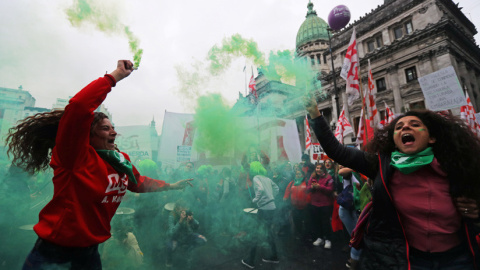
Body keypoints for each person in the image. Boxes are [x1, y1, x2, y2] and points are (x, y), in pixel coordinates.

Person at [6, 60, 193, 270]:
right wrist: (115, 76)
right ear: (89, 134)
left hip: (90, 252)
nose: (113, 132)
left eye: (113, 127)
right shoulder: (75, 156)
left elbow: (138, 182)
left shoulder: (121, 160)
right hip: (56, 254)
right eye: (105, 128)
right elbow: (77, 107)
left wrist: (171, 185)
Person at [305, 95, 480, 269]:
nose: (406, 127)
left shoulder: (459, 165)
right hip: (409, 260)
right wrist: (314, 113)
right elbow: (337, 151)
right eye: (399, 127)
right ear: (395, 140)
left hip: (457, 259)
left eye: (415, 125)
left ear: (432, 138)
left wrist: (474, 210)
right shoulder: (382, 165)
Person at [241, 161, 279, 269]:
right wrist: (271, 197)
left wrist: (255, 200)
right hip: (271, 207)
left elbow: (261, 190)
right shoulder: (266, 178)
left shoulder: (256, 178)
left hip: (264, 209)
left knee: (256, 233)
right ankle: (274, 256)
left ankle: (250, 261)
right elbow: (276, 188)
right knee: (268, 232)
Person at [165, 201, 207, 268]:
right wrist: (180, 221)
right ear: (177, 209)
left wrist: (192, 220)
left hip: (187, 236)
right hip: (176, 238)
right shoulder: (172, 216)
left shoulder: (187, 214)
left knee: (203, 240)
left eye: (185, 209)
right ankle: (169, 260)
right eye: (182, 210)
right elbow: (171, 233)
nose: (184, 212)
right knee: (170, 247)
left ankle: (188, 250)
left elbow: (196, 227)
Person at [307, 163, 334, 249]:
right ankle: (320, 238)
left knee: (325, 222)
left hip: (325, 204)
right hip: (314, 203)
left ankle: (328, 239)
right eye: (317, 168)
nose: (318, 169)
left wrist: (320, 187)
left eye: (320, 168)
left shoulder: (328, 178)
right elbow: (307, 189)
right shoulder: (312, 177)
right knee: (317, 222)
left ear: (323, 169)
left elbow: (330, 190)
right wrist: (312, 187)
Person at [283, 169, 312, 242]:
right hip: (295, 206)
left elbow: (309, 192)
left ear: (303, 175)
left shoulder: (306, 182)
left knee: (306, 221)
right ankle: (299, 234)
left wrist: (308, 201)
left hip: (305, 206)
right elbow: (288, 190)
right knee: (297, 221)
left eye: (299, 174)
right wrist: (285, 197)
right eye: (296, 174)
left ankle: (307, 235)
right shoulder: (292, 182)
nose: (298, 175)